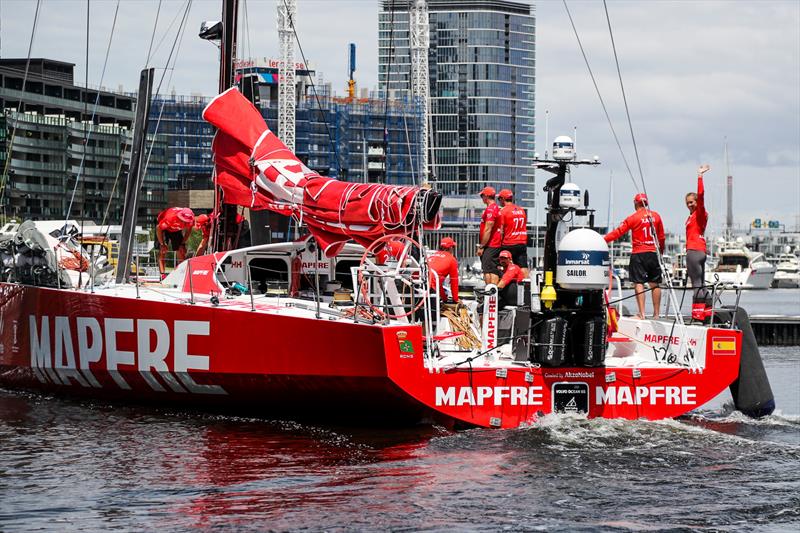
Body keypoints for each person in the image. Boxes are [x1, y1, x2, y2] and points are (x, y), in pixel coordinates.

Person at [604, 193, 665, 319]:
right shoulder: (656, 216)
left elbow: (618, 232)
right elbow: (661, 237)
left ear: (635, 203)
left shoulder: (633, 218)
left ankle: (641, 314)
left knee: (638, 283)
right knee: (655, 284)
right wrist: (661, 251)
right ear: (646, 203)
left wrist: (604, 239)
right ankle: (657, 314)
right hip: (653, 253)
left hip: (638, 253)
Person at [686, 164, 710, 321]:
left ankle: (698, 317)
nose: (690, 204)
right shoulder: (693, 216)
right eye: (687, 202)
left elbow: (701, 195)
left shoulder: (700, 213)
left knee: (696, 284)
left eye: (692, 202)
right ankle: (707, 313)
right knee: (701, 284)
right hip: (700, 251)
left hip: (694, 251)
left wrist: (700, 176)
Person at [497, 189, 529, 277]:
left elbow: (501, 230)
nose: (499, 201)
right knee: (523, 266)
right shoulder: (521, 210)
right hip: (521, 243)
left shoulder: (503, 211)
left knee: (503, 266)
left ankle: (505, 286)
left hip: (508, 243)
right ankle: (526, 286)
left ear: (503, 199)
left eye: (499, 199)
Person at [156, 207, 194, 277]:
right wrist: (162, 244)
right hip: (164, 228)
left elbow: (188, 231)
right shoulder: (170, 218)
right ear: (180, 217)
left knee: (181, 250)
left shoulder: (191, 220)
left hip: (175, 230)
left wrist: (182, 243)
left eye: (187, 221)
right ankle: (162, 275)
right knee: (163, 250)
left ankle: (181, 273)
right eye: (184, 221)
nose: (185, 223)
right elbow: (159, 228)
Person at [477, 186, 502, 285]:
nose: (482, 198)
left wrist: (481, 246)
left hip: (491, 244)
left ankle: (489, 293)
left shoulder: (491, 210)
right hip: (494, 243)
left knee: (487, 270)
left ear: (486, 196)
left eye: (482, 196)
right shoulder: (496, 208)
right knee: (492, 269)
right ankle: (493, 294)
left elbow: (488, 229)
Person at [428, 237, 459, 302]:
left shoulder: (432, 255)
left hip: (418, 284)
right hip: (430, 288)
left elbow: (436, 283)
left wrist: (444, 298)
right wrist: (456, 299)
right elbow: (454, 282)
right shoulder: (452, 259)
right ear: (451, 248)